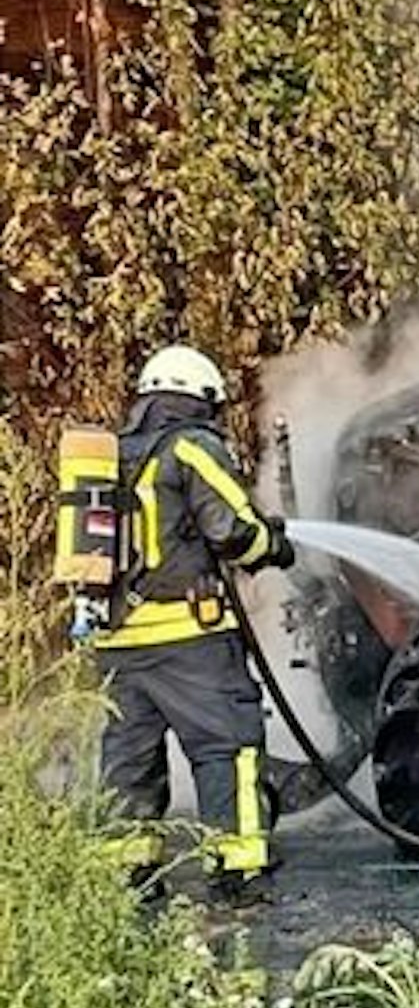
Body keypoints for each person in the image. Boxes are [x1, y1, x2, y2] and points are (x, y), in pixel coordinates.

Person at [95, 344, 296, 903]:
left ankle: (126, 874)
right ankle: (237, 869)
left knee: (130, 756)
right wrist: (273, 546)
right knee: (226, 746)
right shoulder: (192, 445)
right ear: (201, 399)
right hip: (188, 636)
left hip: (117, 639)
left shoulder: (114, 452)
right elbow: (233, 528)